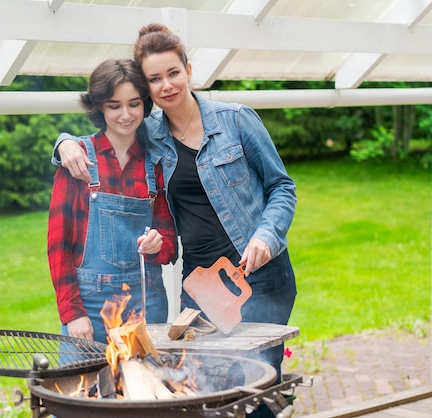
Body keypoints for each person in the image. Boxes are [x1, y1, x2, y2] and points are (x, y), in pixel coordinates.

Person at [53, 24, 297, 415]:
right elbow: (105, 126)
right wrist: (63, 142)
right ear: (145, 87)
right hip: (198, 285)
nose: (166, 85)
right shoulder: (149, 134)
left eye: (172, 73)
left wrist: (266, 237)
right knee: (198, 385)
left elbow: (282, 187)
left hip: (259, 273)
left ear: (188, 70)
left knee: (256, 380)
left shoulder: (237, 120)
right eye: (154, 79)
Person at [47, 58, 177, 345]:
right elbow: (58, 247)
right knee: (82, 388)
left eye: (134, 103)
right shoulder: (76, 161)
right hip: (89, 307)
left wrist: (158, 245)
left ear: (145, 103)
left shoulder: (155, 163)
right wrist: (71, 313)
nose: (125, 114)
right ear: (99, 108)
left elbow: (169, 245)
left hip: (147, 302)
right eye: (114, 106)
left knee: (146, 387)